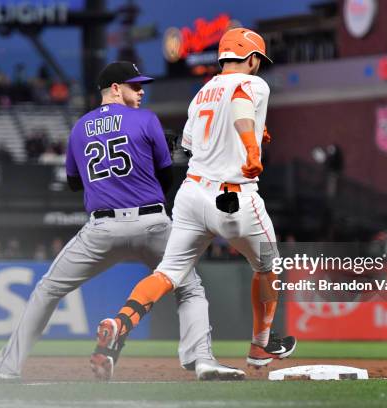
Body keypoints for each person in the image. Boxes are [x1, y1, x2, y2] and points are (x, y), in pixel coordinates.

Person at [0, 61, 243, 382]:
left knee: (46, 291)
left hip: (103, 228)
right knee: (190, 289)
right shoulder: (146, 119)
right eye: (134, 85)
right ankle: (203, 361)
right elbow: (166, 178)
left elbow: (74, 183)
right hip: (152, 223)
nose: (141, 91)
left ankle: (6, 366)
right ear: (115, 88)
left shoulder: (79, 127)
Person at [92, 28, 296, 375]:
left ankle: (119, 325)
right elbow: (240, 104)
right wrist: (249, 145)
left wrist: (248, 132)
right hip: (233, 197)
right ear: (251, 58)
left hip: (190, 195)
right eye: (258, 59)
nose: (259, 65)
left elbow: (190, 143)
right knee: (269, 267)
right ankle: (260, 346)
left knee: (168, 273)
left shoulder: (201, 93)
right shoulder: (253, 83)